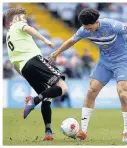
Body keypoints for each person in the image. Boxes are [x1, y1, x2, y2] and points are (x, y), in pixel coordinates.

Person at [49, 8, 127, 142]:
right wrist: (56, 53)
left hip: (121, 61)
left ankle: (126, 133)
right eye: (85, 27)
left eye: (90, 27)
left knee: (122, 93)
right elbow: (71, 41)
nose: (88, 30)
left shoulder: (110, 25)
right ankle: (83, 131)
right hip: (104, 62)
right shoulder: (84, 30)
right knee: (91, 91)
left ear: (97, 21)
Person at [5, 8, 67, 140]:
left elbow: (15, 65)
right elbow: (28, 29)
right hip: (34, 60)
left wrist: (27, 76)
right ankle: (34, 100)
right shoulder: (18, 24)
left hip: (25, 69)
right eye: (22, 17)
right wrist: (46, 40)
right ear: (15, 18)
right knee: (62, 87)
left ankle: (48, 132)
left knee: (47, 97)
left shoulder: (8, 36)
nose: (25, 19)